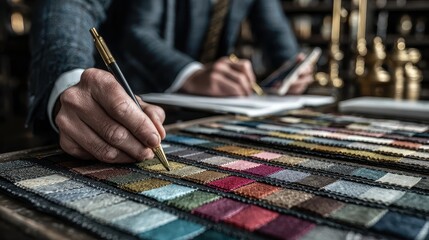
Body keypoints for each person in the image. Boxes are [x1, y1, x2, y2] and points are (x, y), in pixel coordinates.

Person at [27, 0, 313, 164]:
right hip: (125, 102)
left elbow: (278, 36)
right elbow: (131, 29)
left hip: (216, 114)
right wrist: (70, 79)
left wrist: (291, 70)